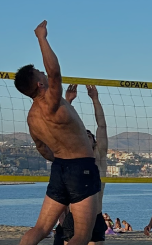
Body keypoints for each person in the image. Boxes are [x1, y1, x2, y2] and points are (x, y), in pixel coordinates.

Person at [15, 20, 102, 245]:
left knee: (41, 228)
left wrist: (61, 158)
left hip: (60, 168)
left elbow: (42, 149)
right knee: (81, 236)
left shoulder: (32, 117)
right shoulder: (50, 102)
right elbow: (55, 72)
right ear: (38, 85)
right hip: (80, 167)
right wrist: (42, 38)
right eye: (38, 73)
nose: (43, 72)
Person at [52, 84, 111, 245]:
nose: (86, 137)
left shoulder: (99, 157)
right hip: (75, 217)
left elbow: (102, 126)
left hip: (96, 216)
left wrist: (95, 99)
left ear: (94, 142)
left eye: (89, 136)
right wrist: (67, 102)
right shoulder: (73, 155)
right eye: (83, 135)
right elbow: (62, 129)